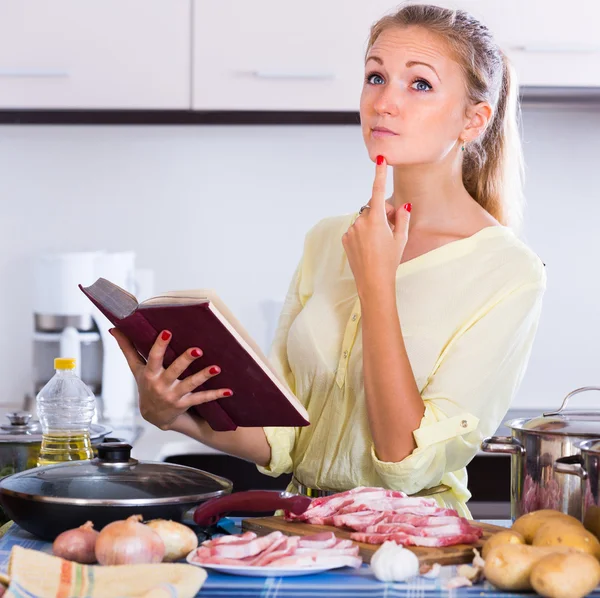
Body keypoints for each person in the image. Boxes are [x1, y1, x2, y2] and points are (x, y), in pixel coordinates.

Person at [111, 3, 546, 518]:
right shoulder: (327, 239)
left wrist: (376, 285)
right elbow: (286, 439)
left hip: (415, 546)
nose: (384, 102)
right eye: (375, 76)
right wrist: (172, 413)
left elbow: (406, 462)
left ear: (473, 120)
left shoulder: (509, 273)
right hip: (301, 530)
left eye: (420, 84)